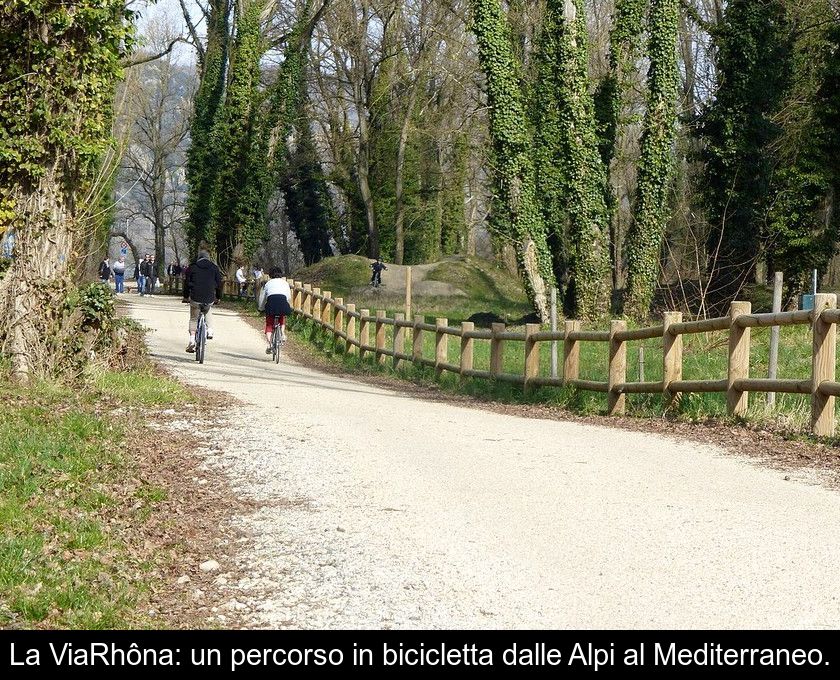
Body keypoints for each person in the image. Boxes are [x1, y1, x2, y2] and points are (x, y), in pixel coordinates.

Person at [182, 249, 222, 353]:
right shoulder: (214, 268)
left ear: (198, 258)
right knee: (208, 309)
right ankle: (210, 330)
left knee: (193, 318)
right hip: (209, 297)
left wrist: (186, 296)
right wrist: (218, 297)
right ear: (208, 258)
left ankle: (191, 340)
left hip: (195, 296)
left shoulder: (192, 267)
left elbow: (186, 283)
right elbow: (219, 284)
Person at [257, 267, 292, 354]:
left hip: (271, 303)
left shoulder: (268, 283)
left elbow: (262, 298)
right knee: (282, 317)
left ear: (270, 275)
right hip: (282, 302)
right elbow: (288, 297)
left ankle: (270, 345)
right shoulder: (285, 283)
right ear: (281, 274)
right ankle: (283, 334)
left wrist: (261, 308)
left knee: (269, 324)